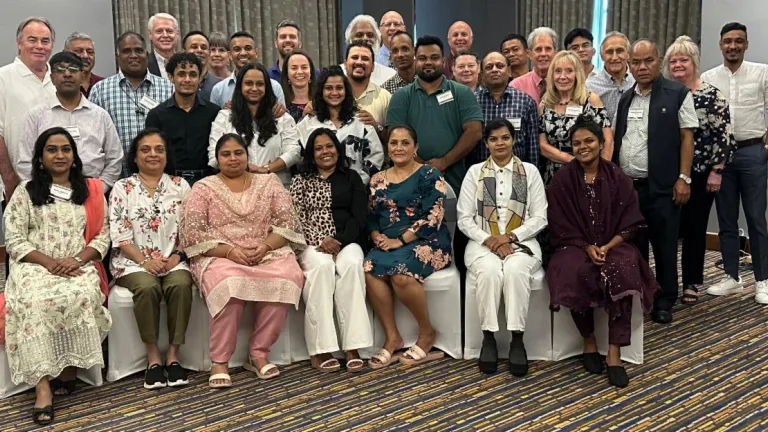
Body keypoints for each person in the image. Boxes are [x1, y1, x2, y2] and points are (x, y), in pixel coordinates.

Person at [4, 127, 112, 425]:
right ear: (40, 158)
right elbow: (14, 240)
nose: (60, 155)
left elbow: (103, 238)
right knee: (35, 302)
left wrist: (75, 260)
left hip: (78, 264)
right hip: (34, 266)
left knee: (80, 294)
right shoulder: (25, 193)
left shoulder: (90, 192)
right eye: (52, 149)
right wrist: (50, 263)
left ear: (75, 156)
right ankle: (42, 387)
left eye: (66, 149)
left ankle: (68, 367)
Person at [181, 133, 305, 388]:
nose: (233, 158)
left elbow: (286, 223)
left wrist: (266, 246)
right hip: (219, 254)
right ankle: (220, 360)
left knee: (288, 276)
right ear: (216, 159)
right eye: (225, 154)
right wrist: (229, 251)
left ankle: (259, 352)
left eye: (238, 152)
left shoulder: (269, 182)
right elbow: (193, 233)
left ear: (247, 156)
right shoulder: (203, 188)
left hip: (267, 251)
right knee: (229, 284)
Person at [546, 117, 659, 388]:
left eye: (589, 141)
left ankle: (614, 353)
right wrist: (586, 246)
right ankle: (588, 340)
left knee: (622, 268)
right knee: (572, 269)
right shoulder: (562, 179)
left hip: (614, 245)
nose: (583, 147)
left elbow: (631, 221)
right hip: (575, 245)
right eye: (576, 143)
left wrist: (607, 247)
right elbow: (559, 223)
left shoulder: (617, 176)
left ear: (600, 143)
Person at [613, 39, 699, 324]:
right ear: (629, 65)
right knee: (634, 249)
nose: (641, 67)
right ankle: (642, 296)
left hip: (663, 187)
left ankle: (664, 300)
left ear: (658, 60)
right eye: (635, 62)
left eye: (647, 60)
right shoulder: (626, 98)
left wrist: (684, 177)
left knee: (664, 247)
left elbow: (688, 136)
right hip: (631, 189)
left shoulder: (677, 94)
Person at [457, 119, 547, 376]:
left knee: (517, 270)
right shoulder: (475, 172)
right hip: (481, 242)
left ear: (514, 140)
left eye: (505, 137)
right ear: (486, 143)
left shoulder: (529, 172)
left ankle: (517, 339)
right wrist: (490, 240)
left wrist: (508, 237)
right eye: (494, 139)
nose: (500, 143)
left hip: (522, 241)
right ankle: (489, 338)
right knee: (488, 271)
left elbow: (540, 217)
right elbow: (464, 218)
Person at [109, 128, 193, 390]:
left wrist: (176, 256)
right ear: (134, 156)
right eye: (145, 149)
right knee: (146, 288)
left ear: (167, 156)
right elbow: (120, 235)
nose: (153, 154)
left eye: (159, 149)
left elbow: (190, 231)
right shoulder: (122, 188)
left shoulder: (181, 186)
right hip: (132, 261)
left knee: (180, 285)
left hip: (173, 260)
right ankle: (153, 357)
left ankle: (173, 355)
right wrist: (145, 262)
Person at [365, 125, 452, 369]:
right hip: (388, 243)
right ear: (387, 147)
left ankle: (426, 334)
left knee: (401, 274)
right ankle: (393, 336)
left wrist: (399, 241)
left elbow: (433, 216)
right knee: (370, 267)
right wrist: (376, 235)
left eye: (405, 143)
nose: (399, 148)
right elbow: (371, 215)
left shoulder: (429, 175)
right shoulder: (377, 179)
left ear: (416, 148)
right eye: (394, 143)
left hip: (428, 241)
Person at [289, 128, 372, 373]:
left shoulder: (352, 177)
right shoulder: (301, 180)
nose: (325, 152)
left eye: (329, 146)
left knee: (352, 265)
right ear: (311, 154)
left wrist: (338, 239)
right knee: (323, 269)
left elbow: (359, 217)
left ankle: (352, 346)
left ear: (337, 148)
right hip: (311, 243)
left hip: (346, 240)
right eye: (318, 148)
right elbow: (295, 219)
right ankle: (320, 348)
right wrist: (320, 241)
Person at [663, 36, 736, 304]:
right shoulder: (666, 94)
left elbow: (724, 137)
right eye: (673, 61)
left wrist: (717, 170)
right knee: (668, 231)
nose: (678, 64)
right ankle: (666, 282)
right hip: (668, 174)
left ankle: (691, 283)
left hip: (702, 174)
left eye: (684, 59)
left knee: (695, 230)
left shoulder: (711, 95)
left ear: (694, 63)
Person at [701, 22, 768, 304]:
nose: (733, 46)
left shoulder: (762, 72)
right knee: (727, 220)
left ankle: (763, 280)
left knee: (756, 218)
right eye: (728, 41)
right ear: (720, 44)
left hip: (753, 152)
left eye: (739, 41)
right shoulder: (708, 77)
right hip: (722, 158)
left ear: (746, 44)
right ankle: (732, 276)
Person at [386, 35, 483, 195]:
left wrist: (444, 162)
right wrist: (420, 166)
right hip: (408, 180)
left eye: (434, 58)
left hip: (455, 181)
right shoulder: (401, 96)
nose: (428, 62)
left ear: (444, 62)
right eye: (422, 58)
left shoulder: (462, 93)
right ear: (416, 62)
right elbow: (392, 136)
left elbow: (475, 131)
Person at [18, 51, 123, 190]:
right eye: (60, 70)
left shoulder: (100, 116)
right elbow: (25, 162)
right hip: (47, 193)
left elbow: (115, 158)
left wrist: (100, 188)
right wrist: (43, 190)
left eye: (73, 69)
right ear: (52, 78)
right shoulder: (36, 116)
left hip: (93, 190)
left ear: (82, 76)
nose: (67, 74)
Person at [89, 32, 174, 178]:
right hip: (115, 178)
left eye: (139, 51)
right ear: (117, 57)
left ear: (146, 55)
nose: (133, 55)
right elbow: (93, 137)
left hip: (161, 177)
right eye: (126, 51)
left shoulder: (168, 88)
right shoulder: (100, 90)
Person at [209, 63, 301, 187]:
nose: (254, 88)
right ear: (240, 86)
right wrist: (245, 167)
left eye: (260, 84)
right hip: (235, 188)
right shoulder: (225, 117)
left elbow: (294, 152)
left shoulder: (282, 117)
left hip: (276, 187)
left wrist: (266, 169)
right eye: (248, 83)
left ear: (267, 87)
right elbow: (214, 158)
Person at [0, 17, 57, 199]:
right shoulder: (3, 78)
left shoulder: (60, 79)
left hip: (59, 183)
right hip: (17, 183)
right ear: (19, 43)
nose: (39, 46)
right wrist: (9, 179)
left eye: (45, 41)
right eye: (32, 40)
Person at [296, 67, 383, 184]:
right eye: (328, 88)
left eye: (339, 88)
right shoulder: (308, 122)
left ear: (346, 90)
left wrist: (356, 183)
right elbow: (298, 157)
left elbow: (375, 157)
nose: (334, 93)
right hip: (317, 192)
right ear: (321, 91)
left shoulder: (361, 121)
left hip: (355, 191)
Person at [145, 53, 221, 185]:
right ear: (171, 77)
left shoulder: (214, 112)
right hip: (169, 183)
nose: (187, 79)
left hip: (208, 182)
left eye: (192, 74)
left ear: (200, 78)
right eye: (181, 74)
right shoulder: (156, 115)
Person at [538, 50, 612, 185]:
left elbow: (607, 140)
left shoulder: (591, 100)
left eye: (569, 71)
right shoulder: (545, 104)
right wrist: (571, 160)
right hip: (553, 176)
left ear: (577, 74)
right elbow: (542, 145)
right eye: (558, 71)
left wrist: (602, 171)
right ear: (552, 75)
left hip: (588, 172)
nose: (563, 76)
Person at [472, 51, 539, 166]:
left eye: (500, 66)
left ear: (508, 71)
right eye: (489, 67)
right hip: (481, 173)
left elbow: (532, 145)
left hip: (517, 171)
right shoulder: (472, 102)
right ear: (482, 74)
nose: (494, 70)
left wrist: (530, 173)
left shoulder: (526, 101)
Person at [209, 31, 286, 108]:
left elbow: (283, 118)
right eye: (237, 49)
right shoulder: (218, 90)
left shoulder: (274, 87)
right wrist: (224, 113)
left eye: (248, 48)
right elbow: (215, 118)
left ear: (256, 52)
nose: (243, 53)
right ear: (230, 55)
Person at [586, 31, 635, 123]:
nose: (614, 57)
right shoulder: (589, 86)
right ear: (602, 56)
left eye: (620, 51)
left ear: (628, 54)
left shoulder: (638, 82)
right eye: (609, 52)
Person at [344, 41, 392, 131]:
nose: (359, 62)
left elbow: (393, 136)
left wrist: (376, 126)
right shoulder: (334, 95)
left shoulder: (385, 97)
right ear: (345, 64)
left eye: (365, 59)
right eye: (354, 57)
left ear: (373, 66)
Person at [341, 15, 396, 85]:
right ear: (350, 40)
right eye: (359, 35)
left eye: (370, 35)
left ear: (377, 40)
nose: (365, 38)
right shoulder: (338, 74)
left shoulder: (390, 75)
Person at [511, 27, 557, 105]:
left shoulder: (565, 83)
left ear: (555, 53)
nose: (543, 54)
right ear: (529, 54)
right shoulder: (515, 87)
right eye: (538, 49)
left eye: (548, 49)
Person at [182, 30, 223, 102]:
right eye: (194, 47)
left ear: (209, 53)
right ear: (184, 52)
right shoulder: (177, 83)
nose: (199, 50)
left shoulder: (220, 85)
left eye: (203, 47)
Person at [281, 50, 317, 123]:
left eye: (304, 67)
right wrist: (304, 117)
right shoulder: (281, 104)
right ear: (287, 73)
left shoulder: (320, 100)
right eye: (294, 68)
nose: (300, 72)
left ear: (311, 73)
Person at [64, 32, 103, 97]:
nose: (85, 56)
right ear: (65, 54)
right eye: (78, 51)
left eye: (90, 52)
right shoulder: (58, 85)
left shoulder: (103, 84)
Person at [147, 13, 179, 80]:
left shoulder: (186, 62)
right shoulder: (143, 66)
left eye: (169, 31)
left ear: (177, 34)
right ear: (150, 34)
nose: (165, 35)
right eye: (159, 31)